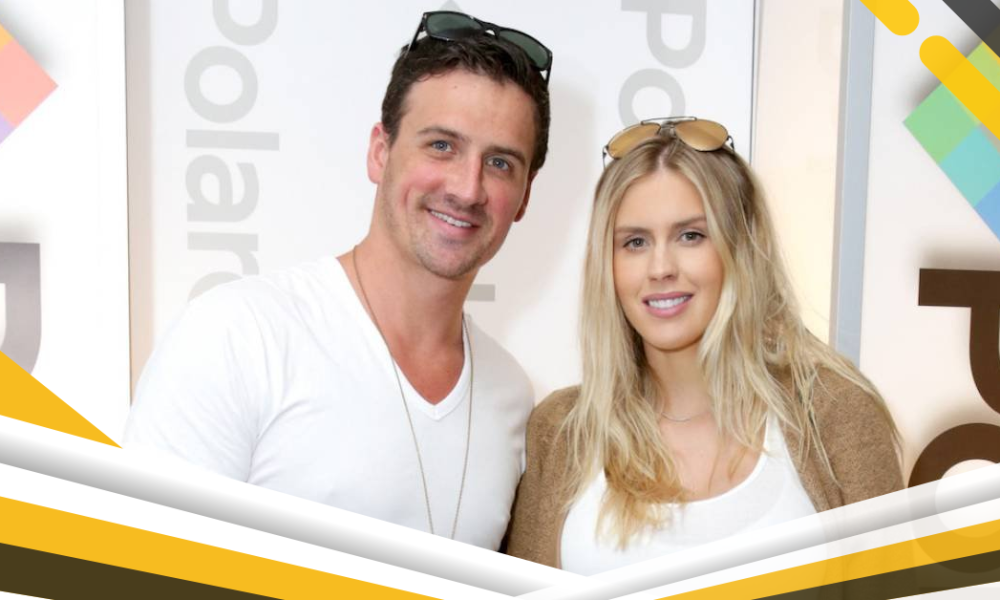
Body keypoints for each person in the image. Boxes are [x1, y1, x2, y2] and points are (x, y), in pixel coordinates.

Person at [125, 11, 552, 551]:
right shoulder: (239, 335)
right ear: (380, 152)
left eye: (500, 163)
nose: (468, 189)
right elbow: (135, 565)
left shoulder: (510, 394)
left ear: (525, 197)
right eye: (442, 145)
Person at [507, 118, 902, 572]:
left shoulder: (834, 416)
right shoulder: (561, 430)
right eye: (634, 242)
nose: (660, 267)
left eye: (691, 235)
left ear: (741, 247)